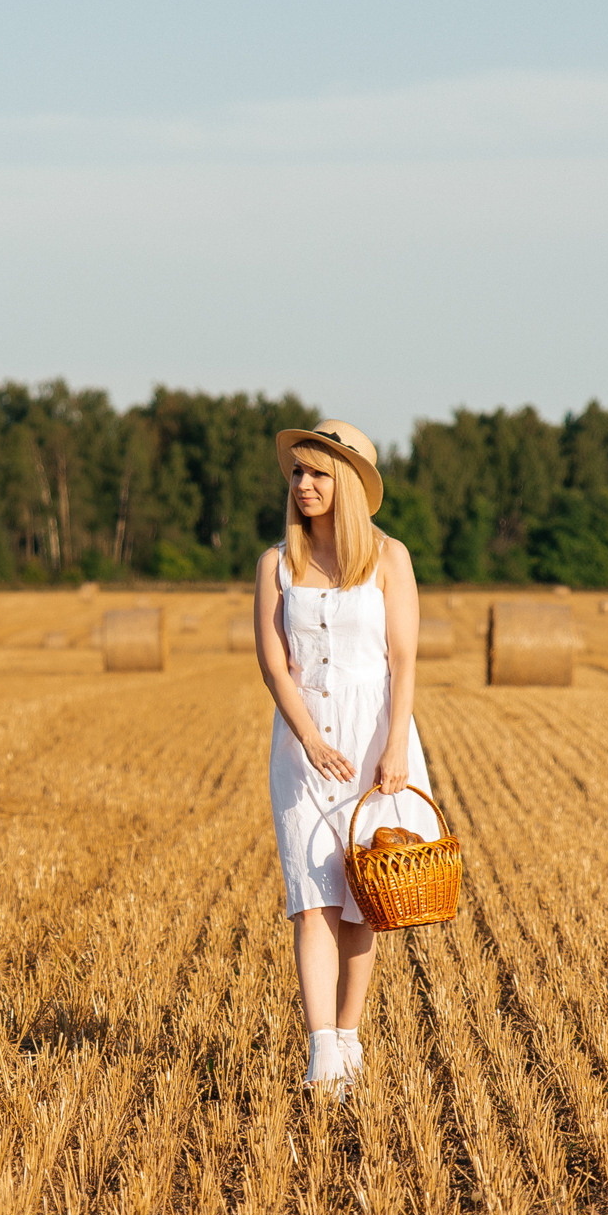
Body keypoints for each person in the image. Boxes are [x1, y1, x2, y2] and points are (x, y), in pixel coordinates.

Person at [254, 419, 438, 1096]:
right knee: (311, 901)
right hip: (303, 747)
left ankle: (350, 1034)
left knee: (364, 901)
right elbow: (275, 665)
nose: (303, 484)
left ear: (350, 487)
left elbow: (404, 659)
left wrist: (394, 744)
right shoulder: (276, 563)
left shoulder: (390, 558)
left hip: (373, 739)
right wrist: (307, 735)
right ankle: (321, 1052)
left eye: (318, 474)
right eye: (298, 472)